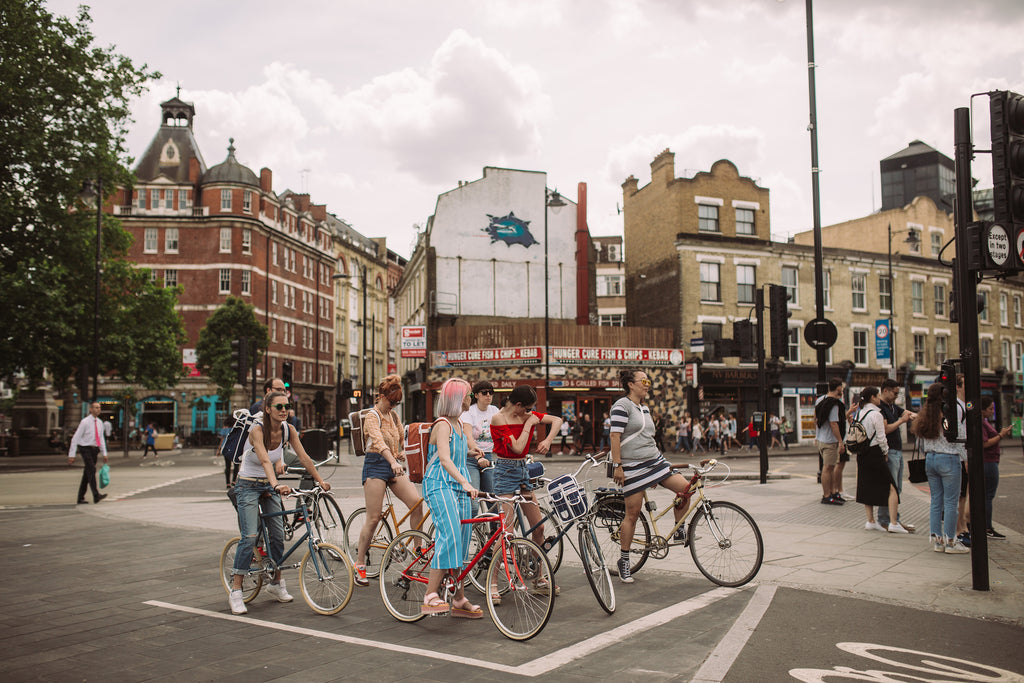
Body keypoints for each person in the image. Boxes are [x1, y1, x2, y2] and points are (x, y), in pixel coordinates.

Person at [228, 390, 332, 614]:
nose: (284, 410)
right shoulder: (257, 430)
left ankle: (276, 583)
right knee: (248, 537)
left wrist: (320, 480)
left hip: (268, 484)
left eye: (286, 406)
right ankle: (236, 590)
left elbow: (304, 457)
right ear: (267, 409)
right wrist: (275, 484)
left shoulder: (288, 430)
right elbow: (265, 460)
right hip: (247, 485)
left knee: (277, 536)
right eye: (279, 407)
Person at [609, 369, 693, 584]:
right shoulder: (622, 405)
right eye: (643, 381)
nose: (647, 384)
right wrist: (618, 466)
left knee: (686, 489)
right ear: (630, 384)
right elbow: (615, 436)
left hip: (655, 462)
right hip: (632, 467)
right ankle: (625, 561)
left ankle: (679, 528)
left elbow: (646, 437)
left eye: (649, 381)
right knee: (633, 514)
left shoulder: (643, 407)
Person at [489, 385, 563, 598]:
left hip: (523, 471)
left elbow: (557, 420)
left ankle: (539, 577)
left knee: (538, 528)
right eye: (527, 408)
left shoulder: (527, 414)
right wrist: (530, 423)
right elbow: (518, 447)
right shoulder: (499, 419)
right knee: (507, 532)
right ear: (518, 405)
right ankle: (492, 582)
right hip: (504, 471)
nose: (530, 412)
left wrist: (548, 440)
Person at [354, 375, 424, 587]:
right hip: (376, 464)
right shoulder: (372, 416)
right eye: (391, 401)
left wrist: (400, 454)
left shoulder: (393, 417)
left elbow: (399, 442)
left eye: (397, 403)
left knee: (416, 503)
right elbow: (378, 441)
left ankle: (417, 550)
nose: (394, 405)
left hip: (392, 463)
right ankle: (359, 564)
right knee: (374, 518)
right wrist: (392, 459)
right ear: (381, 397)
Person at [421, 378, 483, 617]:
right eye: (468, 394)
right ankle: (430, 595)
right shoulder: (444, 424)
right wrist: (466, 482)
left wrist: (471, 450)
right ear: (457, 398)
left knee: (463, 542)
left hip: (457, 486)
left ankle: (458, 599)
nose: (471, 397)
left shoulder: (458, 425)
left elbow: (454, 453)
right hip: (439, 485)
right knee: (450, 536)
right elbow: (444, 460)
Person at [911, 382, 968, 554]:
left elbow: (919, 441)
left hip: (931, 459)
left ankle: (938, 541)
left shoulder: (925, 414)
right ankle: (951, 541)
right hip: (949, 459)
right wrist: (966, 460)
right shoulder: (949, 413)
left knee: (936, 502)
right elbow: (960, 438)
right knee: (951, 503)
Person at [853, 387, 907, 534]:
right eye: (877, 396)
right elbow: (881, 437)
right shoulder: (876, 414)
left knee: (866, 486)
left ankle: (871, 521)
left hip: (861, 453)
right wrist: (885, 452)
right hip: (875, 452)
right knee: (892, 487)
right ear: (872, 397)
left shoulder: (859, 413)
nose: (879, 398)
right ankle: (894, 522)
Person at [877, 379, 916, 531]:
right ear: (885, 390)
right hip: (889, 451)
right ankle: (886, 520)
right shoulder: (880, 407)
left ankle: (893, 519)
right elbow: (886, 429)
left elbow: (907, 413)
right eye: (895, 393)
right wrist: (901, 421)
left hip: (897, 451)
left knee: (897, 488)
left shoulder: (891, 406)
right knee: (891, 488)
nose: (896, 396)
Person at [460, 380, 500, 515]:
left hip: (488, 457)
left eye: (491, 393)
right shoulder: (469, 412)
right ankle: (468, 533)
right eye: (484, 393)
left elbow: (502, 433)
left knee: (493, 501)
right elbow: (468, 437)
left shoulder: (494, 410)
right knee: (474, 503)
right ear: (476, 395)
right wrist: (478, 457)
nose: (488, 395)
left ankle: (494, 534)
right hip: (471, 458)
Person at [980, 396, 1010, 540]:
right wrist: (1001, 435)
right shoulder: (981, 423)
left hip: (989, 461)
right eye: (990, 408)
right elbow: (984, 443)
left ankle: (985, 526)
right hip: (988, 462)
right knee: (988, 496)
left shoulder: (983, 422)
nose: (992, 411)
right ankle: (987, 527)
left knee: (986, 495)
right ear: (983, 410)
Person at [67, 402, 109, 504]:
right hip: (85, 448)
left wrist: (104, 453)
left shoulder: (100, 423)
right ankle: (96, 495)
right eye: (96, 407)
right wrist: (71, 455)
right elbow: (75, 438)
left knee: (87, 473)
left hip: (94, 449)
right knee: (91, 469)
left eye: (99, 408)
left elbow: (101, 438)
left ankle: (80, 497)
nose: (98, 409)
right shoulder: (85, 422)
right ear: (90, 409)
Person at [815, 378, 846, 505]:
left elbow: (815, 419)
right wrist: (840, 441)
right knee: (827, 468)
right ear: (838, 389)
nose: (842, 390)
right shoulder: (834, 403)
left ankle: (833, 493)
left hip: (822, 439)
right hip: (830, 441)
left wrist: (816, 436)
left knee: (831, 467)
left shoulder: (820, 400)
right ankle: (827, 496)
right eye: (842, 388)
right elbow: (834, 424)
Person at [217, 416, 234, 488]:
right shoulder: (235, 429)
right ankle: (234, 480)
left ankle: (228, 483)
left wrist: (219, 449)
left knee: (228, 466)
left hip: (225, 448)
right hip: (233, 448)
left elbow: (222, 440)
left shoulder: (224, 430)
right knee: (236, 465)